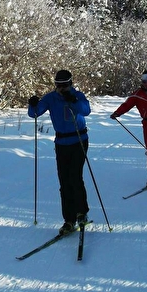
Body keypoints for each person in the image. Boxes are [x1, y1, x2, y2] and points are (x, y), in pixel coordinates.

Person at [28, 70, 91, 235]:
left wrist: (74, 100)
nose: (61, 88)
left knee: (75, 177)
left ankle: (81, 212)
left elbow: (86, 110)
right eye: (58, 85)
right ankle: (68, 219)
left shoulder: (77, 95)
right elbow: (34, 113)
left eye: (65, 85)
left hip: (79, 140)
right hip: (61, 142)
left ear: (70, 83)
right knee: (64, 182)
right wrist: (33, 103)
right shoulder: (51, 98)